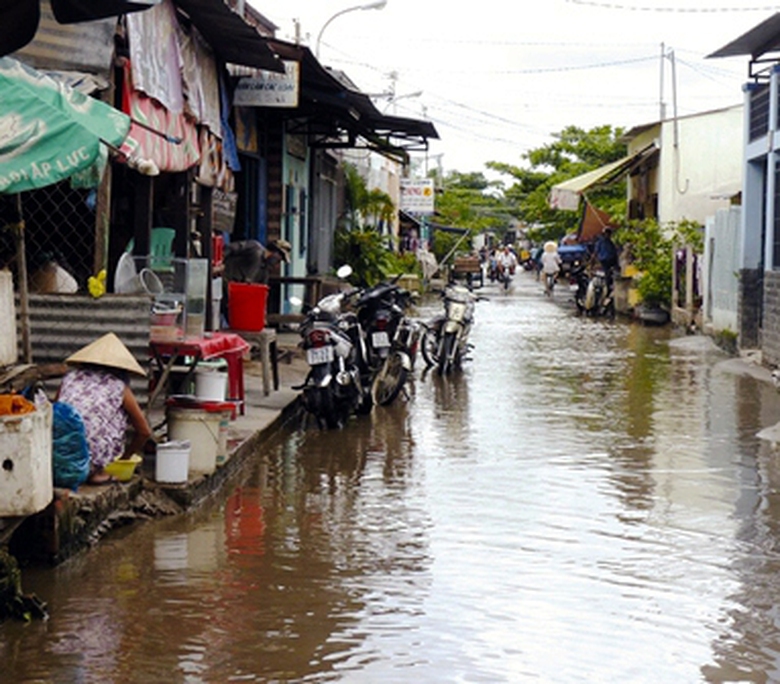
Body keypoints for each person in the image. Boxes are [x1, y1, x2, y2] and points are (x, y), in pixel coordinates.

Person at [57, 333, 153, 485]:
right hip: (88, 461)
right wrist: (125, 458)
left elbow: (56, 412)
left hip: (56, 455)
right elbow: (144, 432)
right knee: (115, 418)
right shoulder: (118, 386)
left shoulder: (70, 378)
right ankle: (96, 471)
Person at [222, 238, 292, 284]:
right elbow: (231, 248)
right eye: (279, 259)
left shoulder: (264, 272)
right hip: (223, 277)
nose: (277, 264)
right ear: (275, 252)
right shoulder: (254, 248)